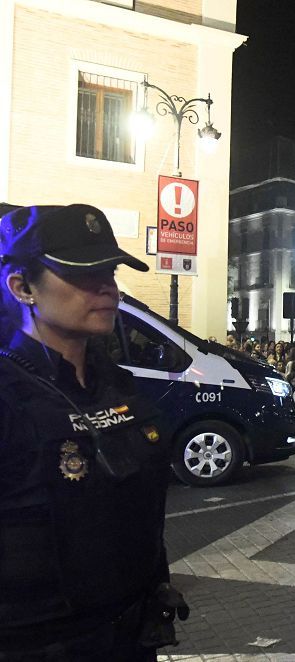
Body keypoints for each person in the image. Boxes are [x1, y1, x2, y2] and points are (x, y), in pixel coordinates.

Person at [0, 204, 187, 660]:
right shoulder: (8, 395)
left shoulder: (120, 385)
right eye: (83, 273)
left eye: (110, 270)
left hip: (133, 637)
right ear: (22, 287)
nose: (107, 286)